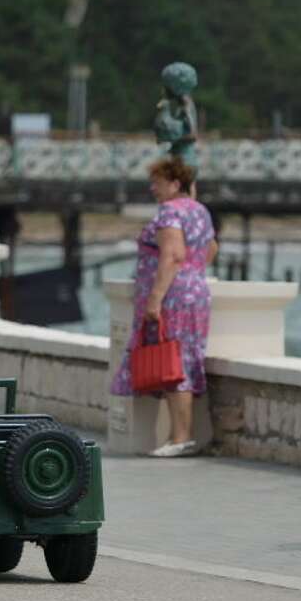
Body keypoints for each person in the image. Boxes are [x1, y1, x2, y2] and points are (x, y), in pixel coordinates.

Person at [109, 155, 218, 457]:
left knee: (174, 362)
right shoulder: (200, 211)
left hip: (173, 296)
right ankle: (178, 435)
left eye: (156, 183)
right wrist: (194, 275)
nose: (152, 189)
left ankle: (180, 437)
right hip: (195, 292)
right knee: (184, 358)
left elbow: (172, 255)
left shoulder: (169, 212)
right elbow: (211, 248)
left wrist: (155, 298)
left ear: (174, 183)